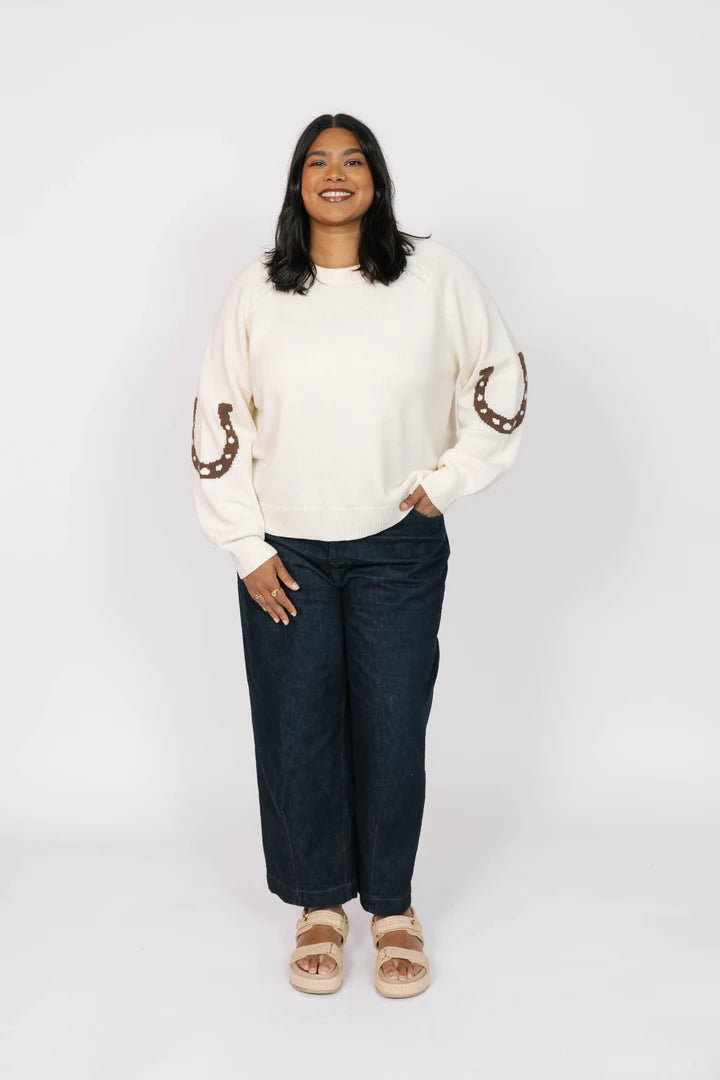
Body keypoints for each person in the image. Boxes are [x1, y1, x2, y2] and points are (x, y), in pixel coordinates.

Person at [190, 113, 528, 997]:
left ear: (376, 178)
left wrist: (449, 481)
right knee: (297, 728)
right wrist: (244, 546)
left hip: (397, 545)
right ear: (297, 182)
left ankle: (391, 906)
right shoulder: (259, 288)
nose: (334, 174)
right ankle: (319, 904)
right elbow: (220, 410)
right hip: (286, 549)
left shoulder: (433, 275)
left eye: (352, 160)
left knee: (391, 726)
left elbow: (498, 371)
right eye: (317, 161)